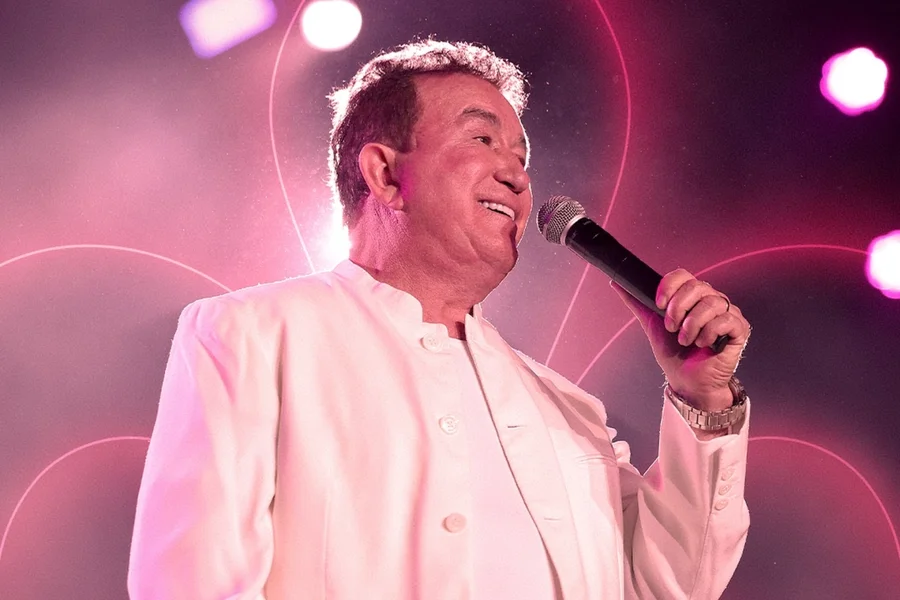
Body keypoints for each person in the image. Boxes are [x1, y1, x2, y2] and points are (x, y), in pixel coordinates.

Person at [128, 40, 752, 600]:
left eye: (522, 156)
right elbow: (192, 586)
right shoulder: (255, 337)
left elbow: (672, 587)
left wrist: (703, 401)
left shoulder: (567, 408)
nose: (517, 175)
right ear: (385, 174)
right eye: (482, 139)